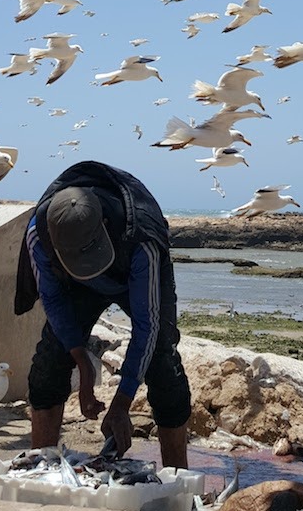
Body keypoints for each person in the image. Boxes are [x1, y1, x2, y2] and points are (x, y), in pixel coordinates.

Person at [15, 160, 191, 468]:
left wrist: (122, 402)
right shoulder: (38, 236)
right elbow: (53, 301)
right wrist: (83, 363)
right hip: (73, 283)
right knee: (48, 364)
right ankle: (37, 470)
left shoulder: (141, 238)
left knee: (163, 365)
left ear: (106, 227)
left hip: (127, 268)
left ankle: (179, 481)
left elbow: (147, 326)